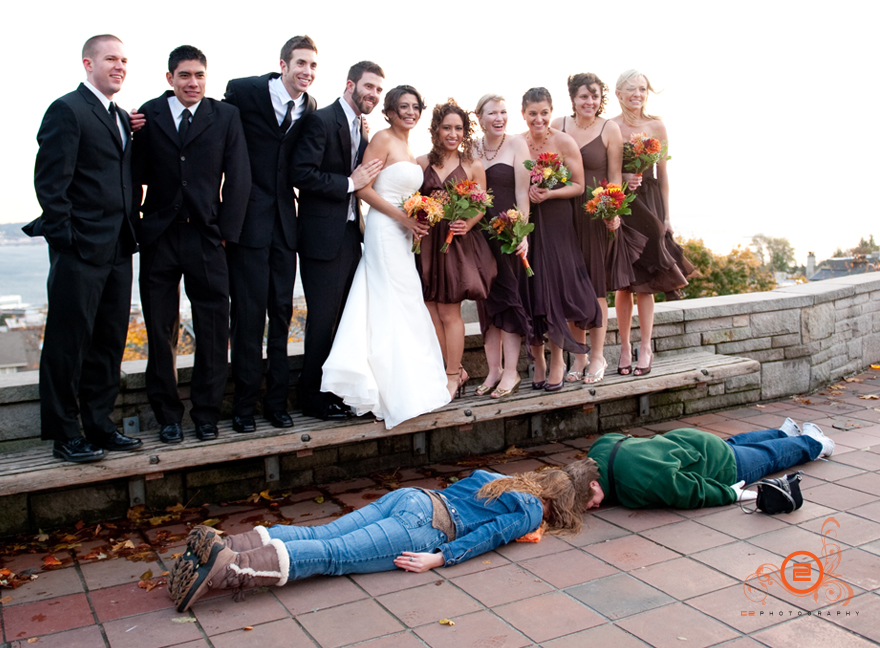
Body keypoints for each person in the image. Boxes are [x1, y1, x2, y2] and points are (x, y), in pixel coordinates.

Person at [168, 459, 598, 612]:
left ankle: (229, 542)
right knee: (334, 555)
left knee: (324, 530)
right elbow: (486, 537)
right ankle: (231, 570)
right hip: (426, 527)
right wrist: (439, 558)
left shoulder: (504, 479)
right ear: (563, 505)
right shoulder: (529, 511)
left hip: (411, 498)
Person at [28, 35, 142, 463]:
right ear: (87, 63)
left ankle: (99, 424)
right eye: (110, 58)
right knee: (67, 343)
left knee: (109, 341)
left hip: (118, 247)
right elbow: (50, 185)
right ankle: (65, 435)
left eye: (124, 60)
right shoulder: (67, 109)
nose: (119, 66)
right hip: (80, 249)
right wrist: (68, 242)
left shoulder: (118, 117)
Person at [132, 45, 251, 443]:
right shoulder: (147, 115)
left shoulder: (225, 116)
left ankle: (205, 414)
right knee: (159, 329)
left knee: (214, 329)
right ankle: (168, 416)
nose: (193, 83)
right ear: (170, 79)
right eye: (185, 75)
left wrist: (225, 233)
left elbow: (238, 178)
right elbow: (133, 173)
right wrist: (137, 224)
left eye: (199, 75)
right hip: (159, 236)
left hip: (206, 235)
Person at [321, 86, 451, 428]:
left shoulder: (410, 148)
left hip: (403, 232)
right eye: (402, 106)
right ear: (390, 111)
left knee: (404, 301)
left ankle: (410, 382)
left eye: (415, 107)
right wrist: (402, 217)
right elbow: (363, 187)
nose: (410, 112)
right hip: (384, 229)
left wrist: (418, 217)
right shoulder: (380, 138)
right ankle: (385, 387)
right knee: (391, 300)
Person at [224, 36, 318, 434]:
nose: (307, 72)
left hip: (285, 222)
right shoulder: (243, 90)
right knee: (247, 317)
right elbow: (207, 116)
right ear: (283, 64)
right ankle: (244, 406)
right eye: (301, 64)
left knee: (281, 313)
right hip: (247, 220)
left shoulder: (310, 106)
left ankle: (276, 403)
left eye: (313, 66)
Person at [291, 61, 385, 421]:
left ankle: (337, 391)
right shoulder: (320, 119)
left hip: (350, 234)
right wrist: (349, 181)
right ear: (350, 85)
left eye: (378, 89)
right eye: (369, 87)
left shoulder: (361, 127)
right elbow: (303, 173)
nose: (373, 94)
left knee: (346, 319)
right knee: (323, 319)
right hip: (320, 236)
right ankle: (312, 397)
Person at [551, 74, 647, 385]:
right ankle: (577, 356)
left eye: (594, 96)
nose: (589, 102)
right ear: (573, 98)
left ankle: (597, 356)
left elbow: (616, 177)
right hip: (563, 215)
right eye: (583, 96)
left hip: (596, 216)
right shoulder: (559, 125)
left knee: (594, 288)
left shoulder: (610, 129)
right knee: (570, 286)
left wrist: (612, 211)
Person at [610, 69, 693, 377]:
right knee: (624, 282)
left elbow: (664, 175)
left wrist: (668, 216)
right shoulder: (611, 127)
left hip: (651, 202)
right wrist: (622, 181)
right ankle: (622, 347)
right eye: (631, 89)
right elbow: (606, 171)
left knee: (645, 283)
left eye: (642, 89)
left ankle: (645, 346)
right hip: (624, 204)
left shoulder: (657, 125)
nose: (638, 94)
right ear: (618, 94)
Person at [520, 88, 601, 392]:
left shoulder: (564, 141)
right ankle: (538, 360)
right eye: (532, 113)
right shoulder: (518, 143)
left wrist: (549, 193)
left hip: (556, 220)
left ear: (551, 111)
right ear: (523, 114)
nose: (538, 119)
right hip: (528, 221)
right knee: (531, 288)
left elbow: (579, 186)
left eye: (544, 112)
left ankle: (558, 361)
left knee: (554, 286)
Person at [416, 100, 497, 399]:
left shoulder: (472, 165)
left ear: (466, 130)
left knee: (450, 310)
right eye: (447, 127)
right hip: (427, 243)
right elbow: (411, 201)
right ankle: (450, 368)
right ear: (436, 129)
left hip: (455, 242)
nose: (453, 133)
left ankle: (453, 375)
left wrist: (468, 222)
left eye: (459, 128)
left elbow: (482, 203)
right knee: (430, 309)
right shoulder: (421, 162)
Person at [583, 418, 835, 510]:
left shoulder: (642, 484)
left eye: (589, 501)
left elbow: (691, 491)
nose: (593, 507)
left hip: (720, 465)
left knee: (768, 456)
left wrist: (731, 493)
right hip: (689, 443)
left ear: (594, 482)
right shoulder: (599, 448)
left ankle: (815, 443)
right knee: (738, 444)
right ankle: (785, 432)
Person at [473, 94, 532, 399]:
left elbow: (523, 195)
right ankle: (493, 369)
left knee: (509, 298)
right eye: (492, 113)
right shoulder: (471, 149)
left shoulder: (517, 144)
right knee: (488, 302)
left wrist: (521, 233)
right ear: (479, 118)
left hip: (508, 235)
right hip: (479, 236)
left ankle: (512, 371)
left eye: (503, 112)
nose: (499, 117)